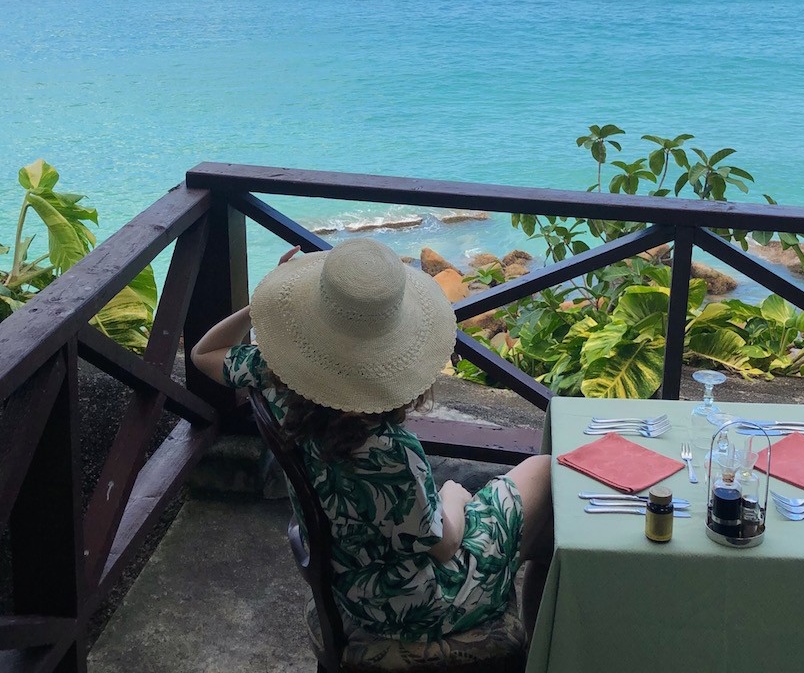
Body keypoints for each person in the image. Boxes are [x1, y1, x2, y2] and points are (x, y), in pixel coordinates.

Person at [190, 237, 552, 641]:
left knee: (532, 512)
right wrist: (455, 494)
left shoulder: (276, 380)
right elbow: (445, 544)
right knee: (545, 474)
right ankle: (539, 655)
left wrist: (262, 306)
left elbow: (205, 354)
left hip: (348, 589)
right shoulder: (389, 452)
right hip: (421, 607)